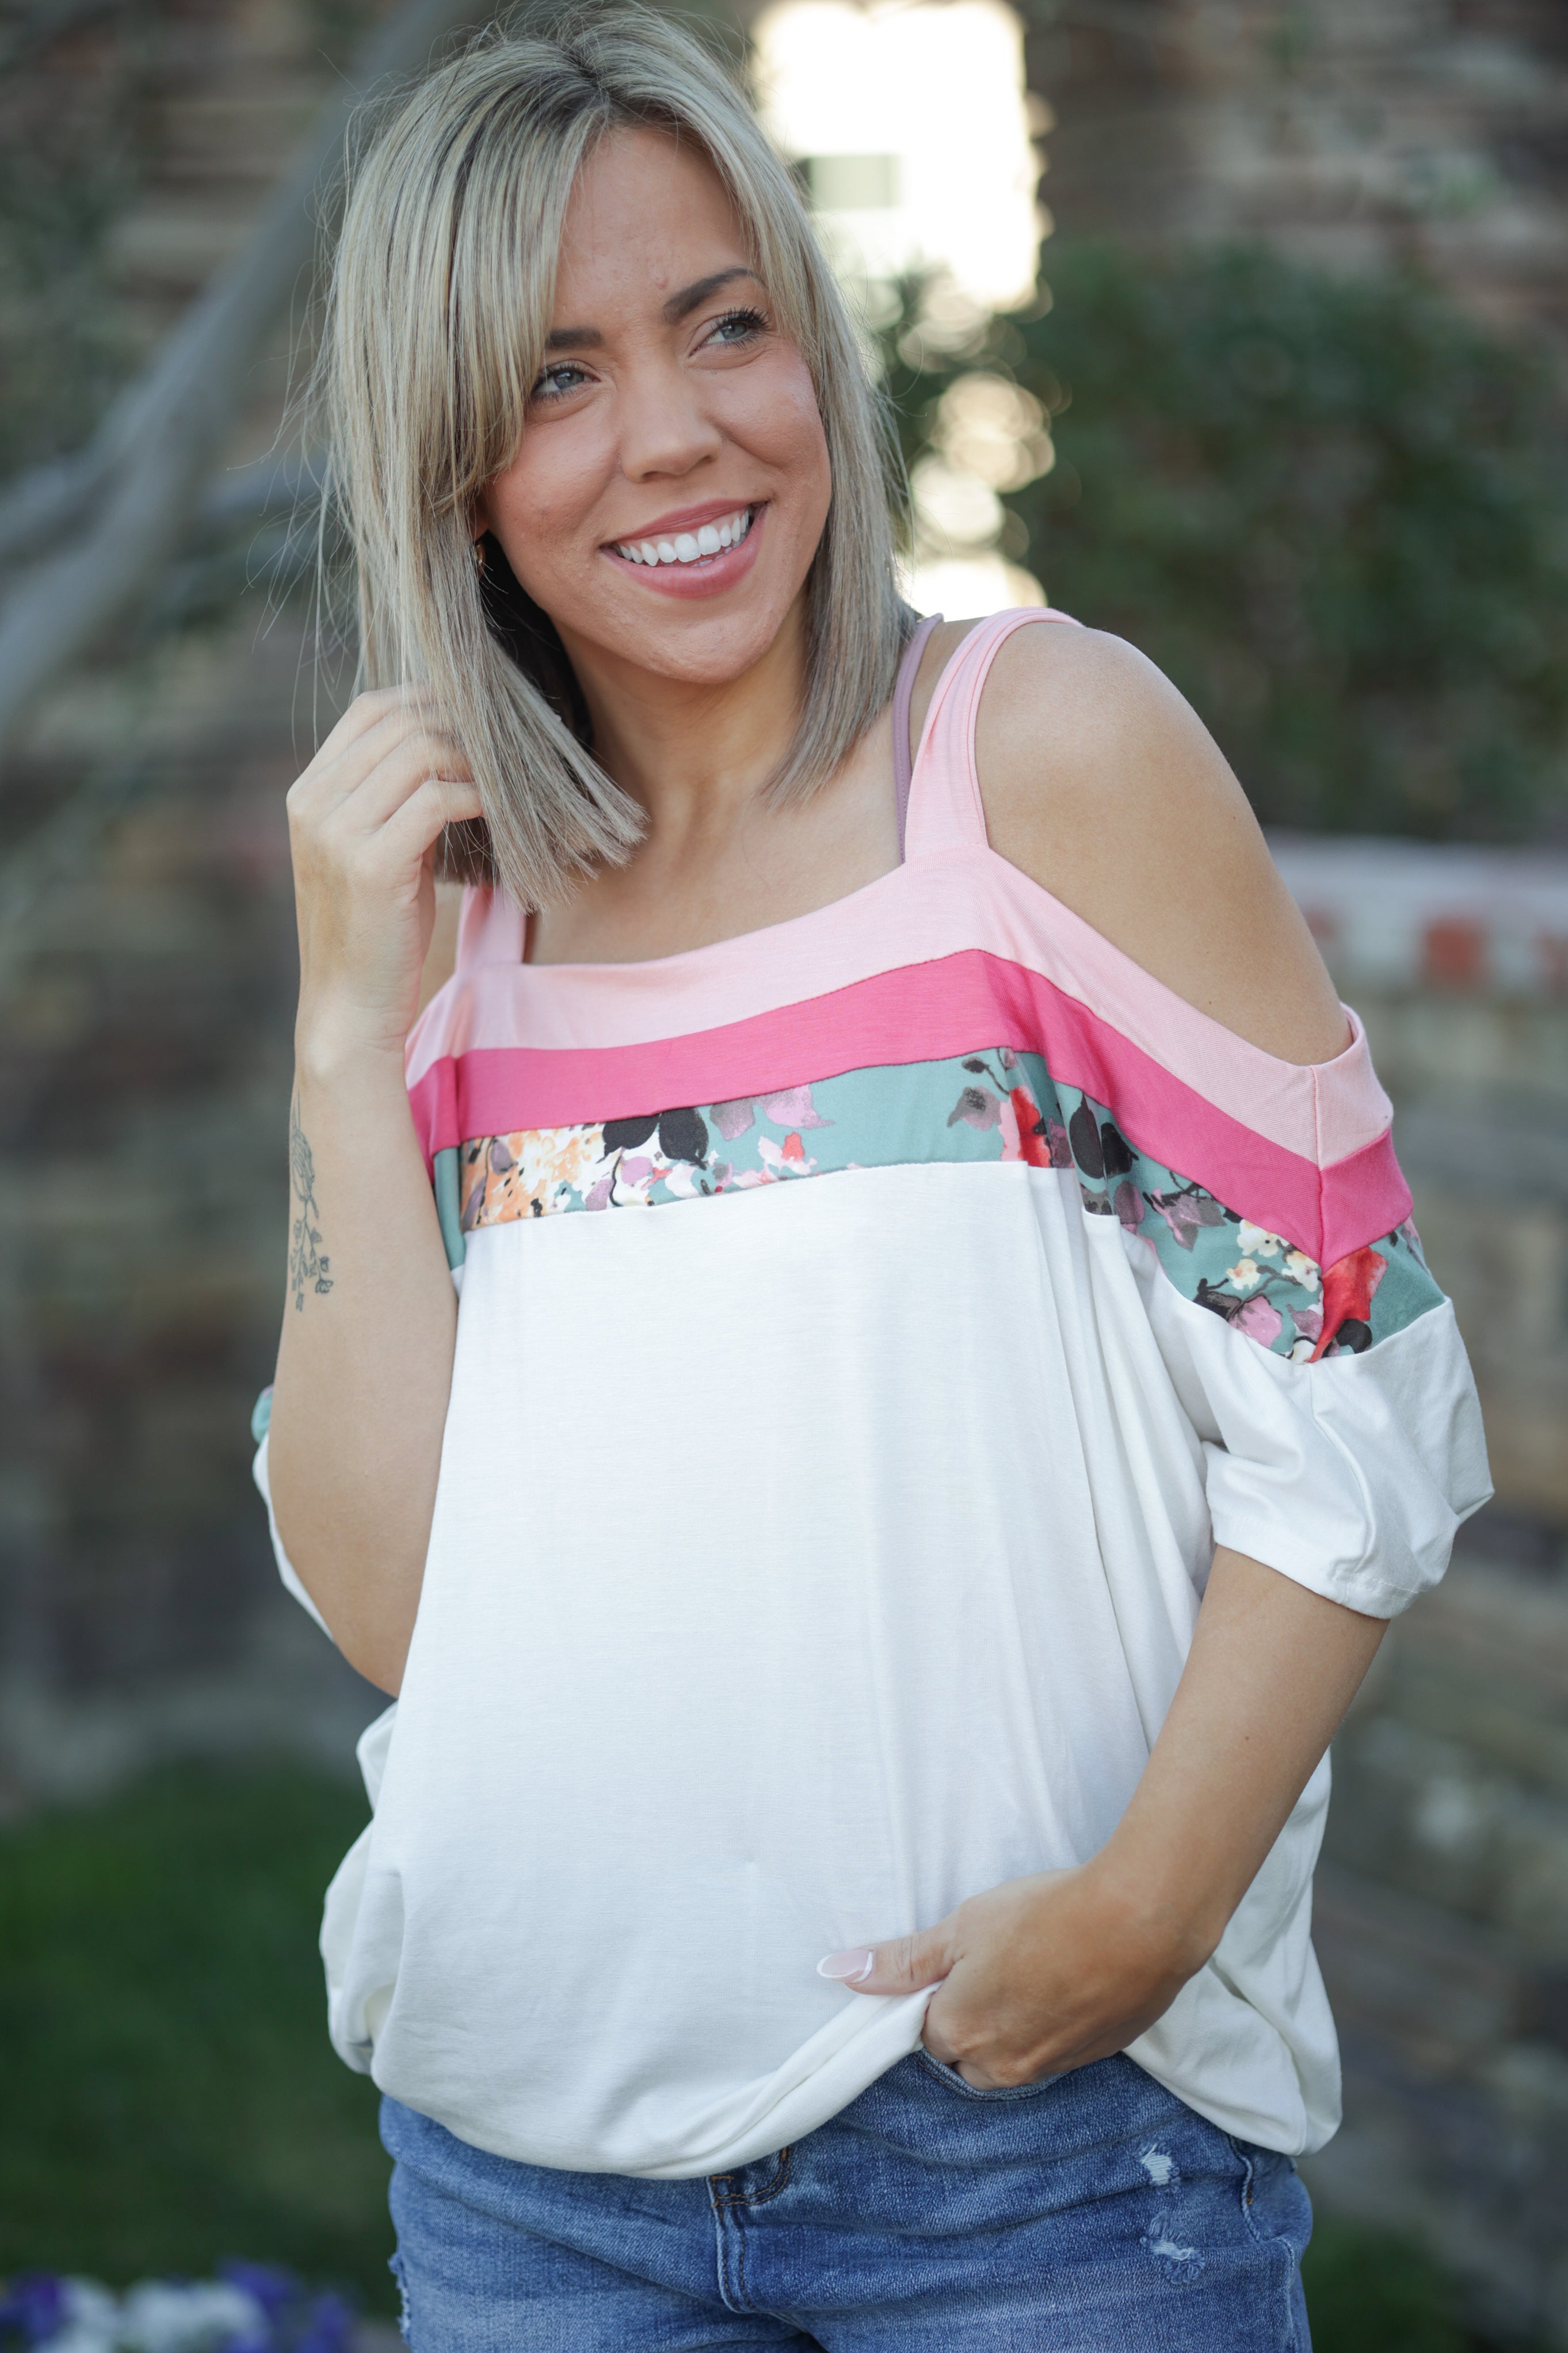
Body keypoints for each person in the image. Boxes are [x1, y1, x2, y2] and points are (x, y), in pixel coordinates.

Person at [253, 12, 1490, 2347]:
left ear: (812, 346)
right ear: (453, 466)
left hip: (1033, 2172)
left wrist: (1149, 1907)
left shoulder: (1036, 756)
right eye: (556, 378)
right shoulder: (446, 911)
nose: (674, 431)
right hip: (529, 2180)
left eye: (724, 324)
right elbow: (407, 1604)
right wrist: (341, 1037)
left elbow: (1354, 1398)